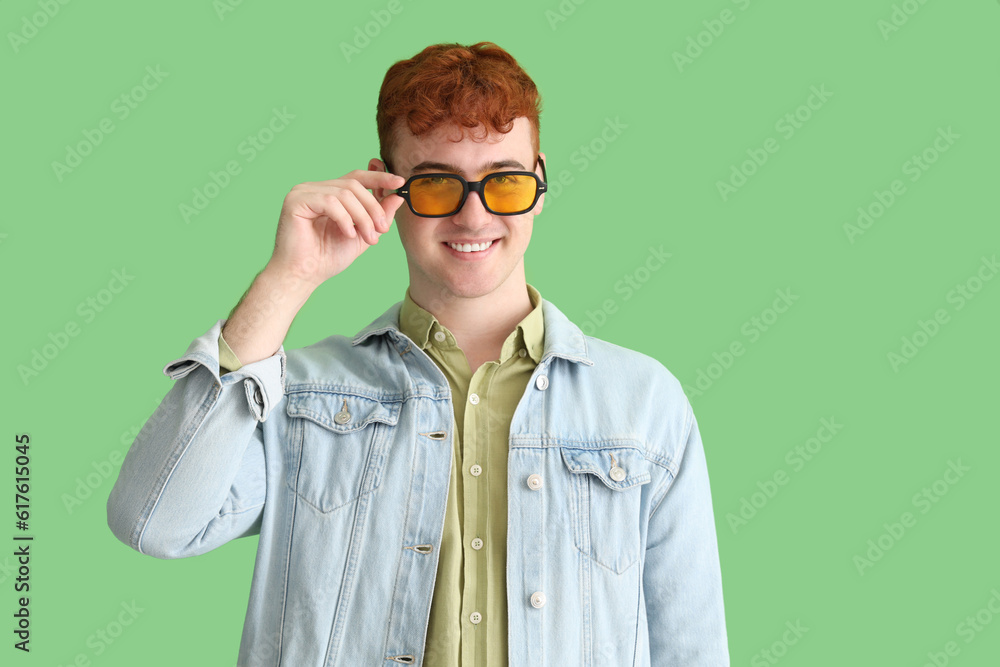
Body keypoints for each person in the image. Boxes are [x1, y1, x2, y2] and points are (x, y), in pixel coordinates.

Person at [107, 41, 729, 666]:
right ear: (386, 186)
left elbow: (692, 646)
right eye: (436, 184)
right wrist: (287, 279)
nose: (473, 213)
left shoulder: (644, 403)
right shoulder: (299, 393)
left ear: (539, 181)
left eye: (504, 182)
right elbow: (155, 523)